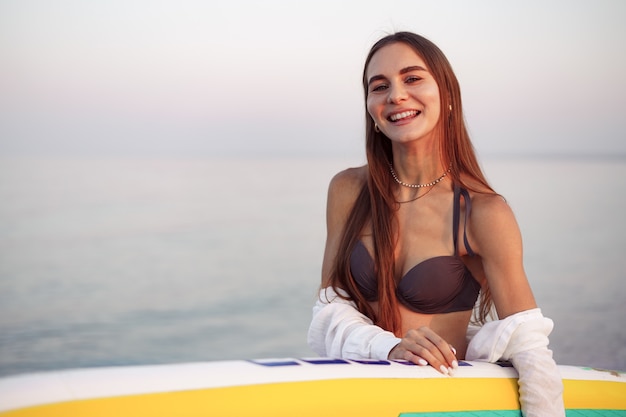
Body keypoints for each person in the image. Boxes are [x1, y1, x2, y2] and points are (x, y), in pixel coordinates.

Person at [307, 31, 565, 416]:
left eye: (412, 78)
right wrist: (388, 347)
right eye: (380, 86)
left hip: (436, 406)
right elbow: (328, 309)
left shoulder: (482, 212)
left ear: (446, 96)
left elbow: (529, 347)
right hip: (355, 399)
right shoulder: (348, 190)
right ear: (371, 109)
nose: (395, 95)